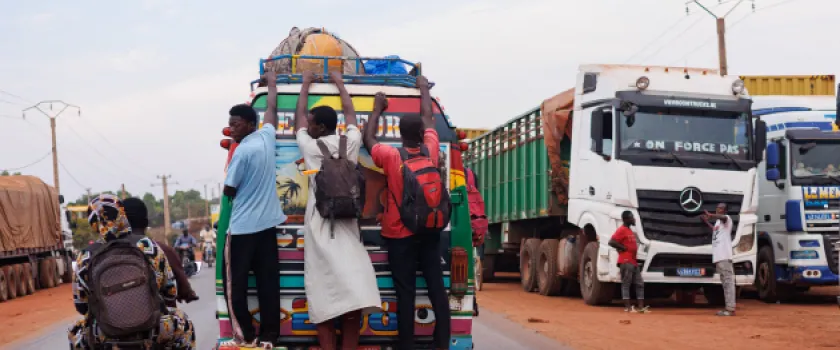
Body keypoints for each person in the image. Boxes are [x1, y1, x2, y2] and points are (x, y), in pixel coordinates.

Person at [293, 70, 381, 350]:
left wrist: (306, 84)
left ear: (318, 127)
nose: (307, 125)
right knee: (354, 301)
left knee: (323, 302)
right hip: (348, 230)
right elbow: (351, 115)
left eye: (311, 122)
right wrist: (340, 84)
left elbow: (297, 119)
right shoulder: (351, 143)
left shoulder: (310, 147)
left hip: (320, 231)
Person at [363, 76, 451, 350]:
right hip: (429, 231)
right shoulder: (432, 151)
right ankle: (442, 341)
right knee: (437, 288)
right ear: (422, 133)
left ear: (400, 134)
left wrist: (378, 108)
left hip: (399, 235)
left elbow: (368, 138)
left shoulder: (391, 157)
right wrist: (424, 89)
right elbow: (429, 117)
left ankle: (406, 344)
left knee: (405, 291)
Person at [68, 194, 195, 349]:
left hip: (104, 334)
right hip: (154, 330)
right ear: (122, 214)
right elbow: (170, 292)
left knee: (74, 333)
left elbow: (81, 306)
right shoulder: (147, 246)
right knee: (186, 325)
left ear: (93, 224)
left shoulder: (85, 256)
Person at [220, 70, 288, 348]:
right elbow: (271, 111)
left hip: (243, 230)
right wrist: (272, 86)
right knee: (268, 285)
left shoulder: (243, 151)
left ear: (248, 125)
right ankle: (270, 335)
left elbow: (229, 190)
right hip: (268, 227)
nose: (230, 130)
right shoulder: (266, 138)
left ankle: (246, 335)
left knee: (235, 287)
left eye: (235, 125)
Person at [122, 197, 198, 304]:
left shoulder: (101, 253)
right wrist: (188, 293)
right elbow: (182, 286)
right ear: (146, 222)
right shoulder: (160, 249)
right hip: (157, 317)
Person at [608, 211, 648, 313]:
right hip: (626, 261)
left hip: (633, 261)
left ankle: (641, 307)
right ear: (626, 219)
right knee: (626, 284)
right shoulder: (621, 230)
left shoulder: (629, 230)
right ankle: (628, 308)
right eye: (631, 217)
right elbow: (611, 242)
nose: (633, 219)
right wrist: (623, 248)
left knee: (639, 283)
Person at [701, 203, 737, 316]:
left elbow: (723, 217)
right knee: (725, 283)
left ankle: (730, 308)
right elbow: (715, 231)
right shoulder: (718, 223)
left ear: (725, 211)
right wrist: (706, 222)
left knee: (728, 282)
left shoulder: (727, 219)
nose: (718, 209)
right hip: (719, 258)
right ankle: (728, 308)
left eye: (721, 208)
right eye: (717, 207)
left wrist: (711, 215)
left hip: (725, 257)